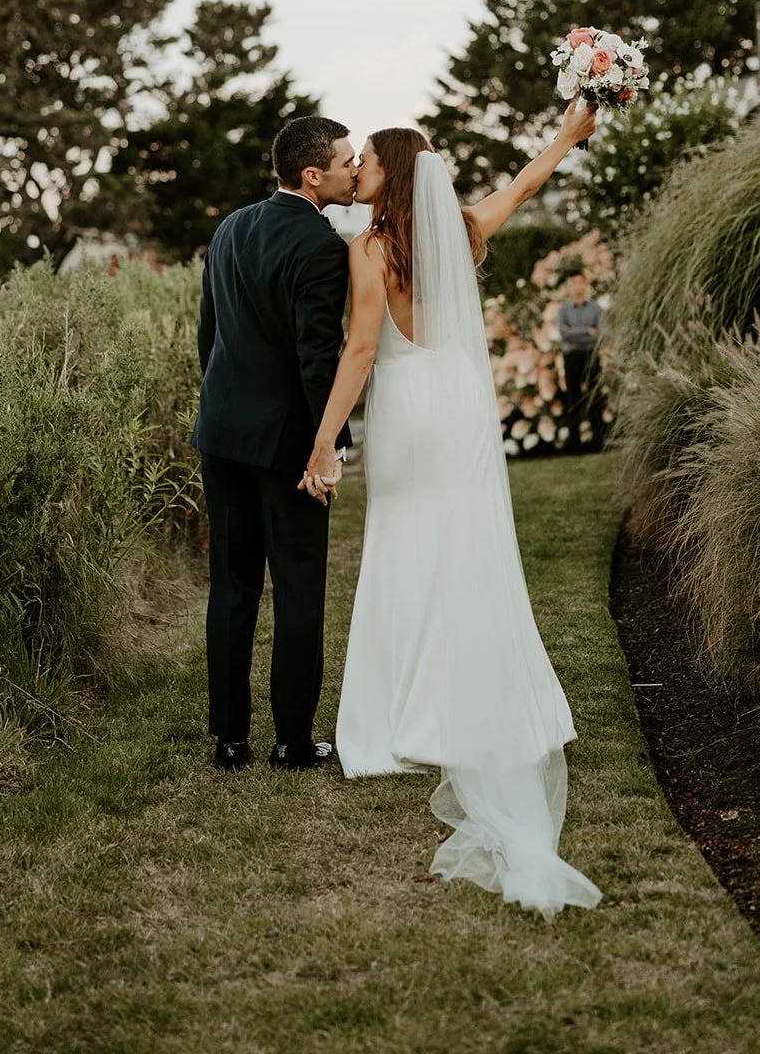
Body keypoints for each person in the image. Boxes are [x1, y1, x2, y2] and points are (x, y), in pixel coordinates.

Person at [302, 101, 602, 917]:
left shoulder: (370, 249)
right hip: (462, 404)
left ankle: (403, 715)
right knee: (467, 547)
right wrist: (569, 133)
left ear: (388, 175)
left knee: (406, 546)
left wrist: (325, 442)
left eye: (364, 159)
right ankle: (491, 699)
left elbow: (362, 349)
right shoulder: (462, 228)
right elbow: (527, 182)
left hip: (407, 407)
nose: (354, 167)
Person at [192, 115, 358, 773]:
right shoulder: (320, 247)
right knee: (296, 589)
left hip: (222, 433)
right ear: (312, 174)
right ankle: (292, 741)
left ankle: (229, 740)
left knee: (231, 589)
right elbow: (318, 357)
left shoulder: (230, 227)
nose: (354, 170)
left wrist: (219, 409)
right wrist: (331, 444)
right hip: (287, 445)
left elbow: (209, 335)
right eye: (347, 161)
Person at [557, 271, 606, 454]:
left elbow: (600, 334)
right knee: (573, 398)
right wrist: (587, 331)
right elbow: (563, 334)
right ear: (569, 287)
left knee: (595, 397)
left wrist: (574, 332)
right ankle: (575, 445)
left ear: (585, 285)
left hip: (591, 356)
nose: (577, 286)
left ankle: (598, 442)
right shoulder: (563, 311)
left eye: (580, 282)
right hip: (571, 357)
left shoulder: (596, 309)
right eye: (574, 283)